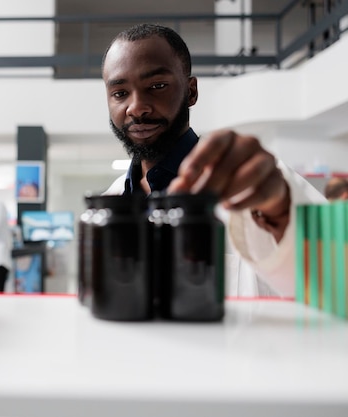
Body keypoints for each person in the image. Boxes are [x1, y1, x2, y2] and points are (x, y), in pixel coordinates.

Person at [101, 23, 326, 297]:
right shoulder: (111, 201)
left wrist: (282, 215)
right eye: (120, 93)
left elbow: (345, 278)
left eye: (157, 86)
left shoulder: (259, 185)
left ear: (191, 91)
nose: (136, 107)